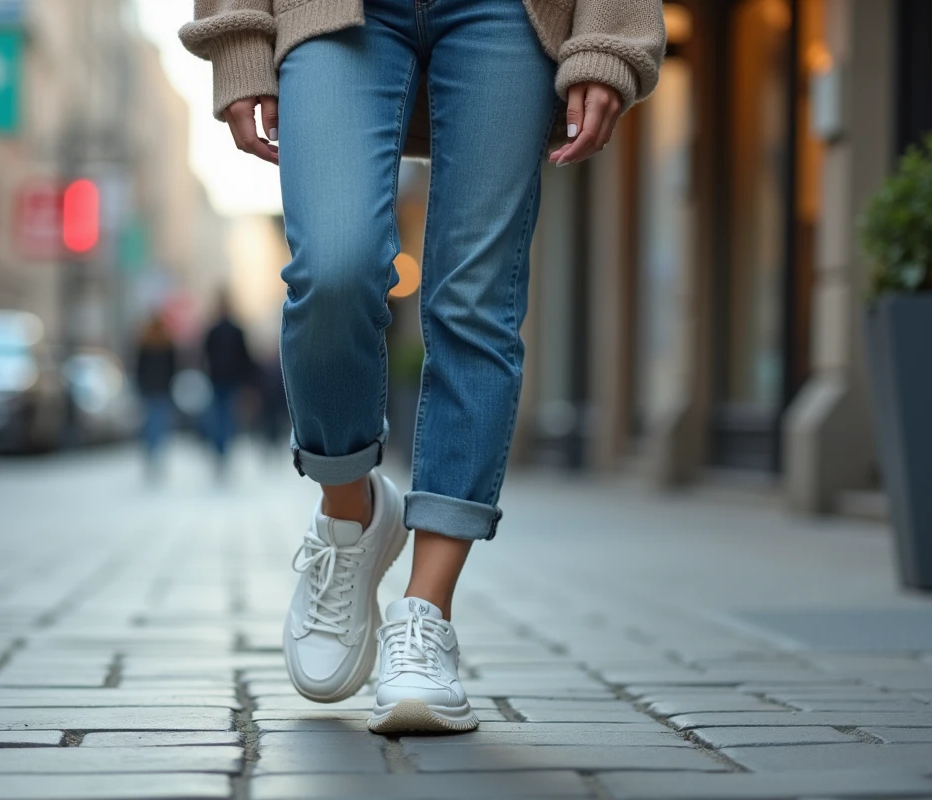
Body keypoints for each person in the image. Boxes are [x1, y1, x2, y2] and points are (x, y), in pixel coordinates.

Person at [180, 0, 665, 734]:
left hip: (508, 15)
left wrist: (609, 35)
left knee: (475, 304)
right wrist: (241, 34)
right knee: (334, 273)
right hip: (336, 12)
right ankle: (351, 519)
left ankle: (424, 616)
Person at [202, 293, 254, 471]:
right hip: (231, 378)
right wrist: (247, 379)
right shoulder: (236, 330)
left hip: (217, 378)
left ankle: (220, 447)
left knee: (218, 414)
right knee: (227, 415)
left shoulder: (213, 331)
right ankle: (224, 447)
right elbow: (245, 356)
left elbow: (205, 355)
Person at [134, 315, 178, 480]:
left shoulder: (145, 343)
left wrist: (141, 386)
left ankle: (151, 451)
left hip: (149, 389)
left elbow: (139, 368)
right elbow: (173, 368)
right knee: (160, 422)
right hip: (163, 389)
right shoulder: (167, 344)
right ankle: (157, 452)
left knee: (151, 422)